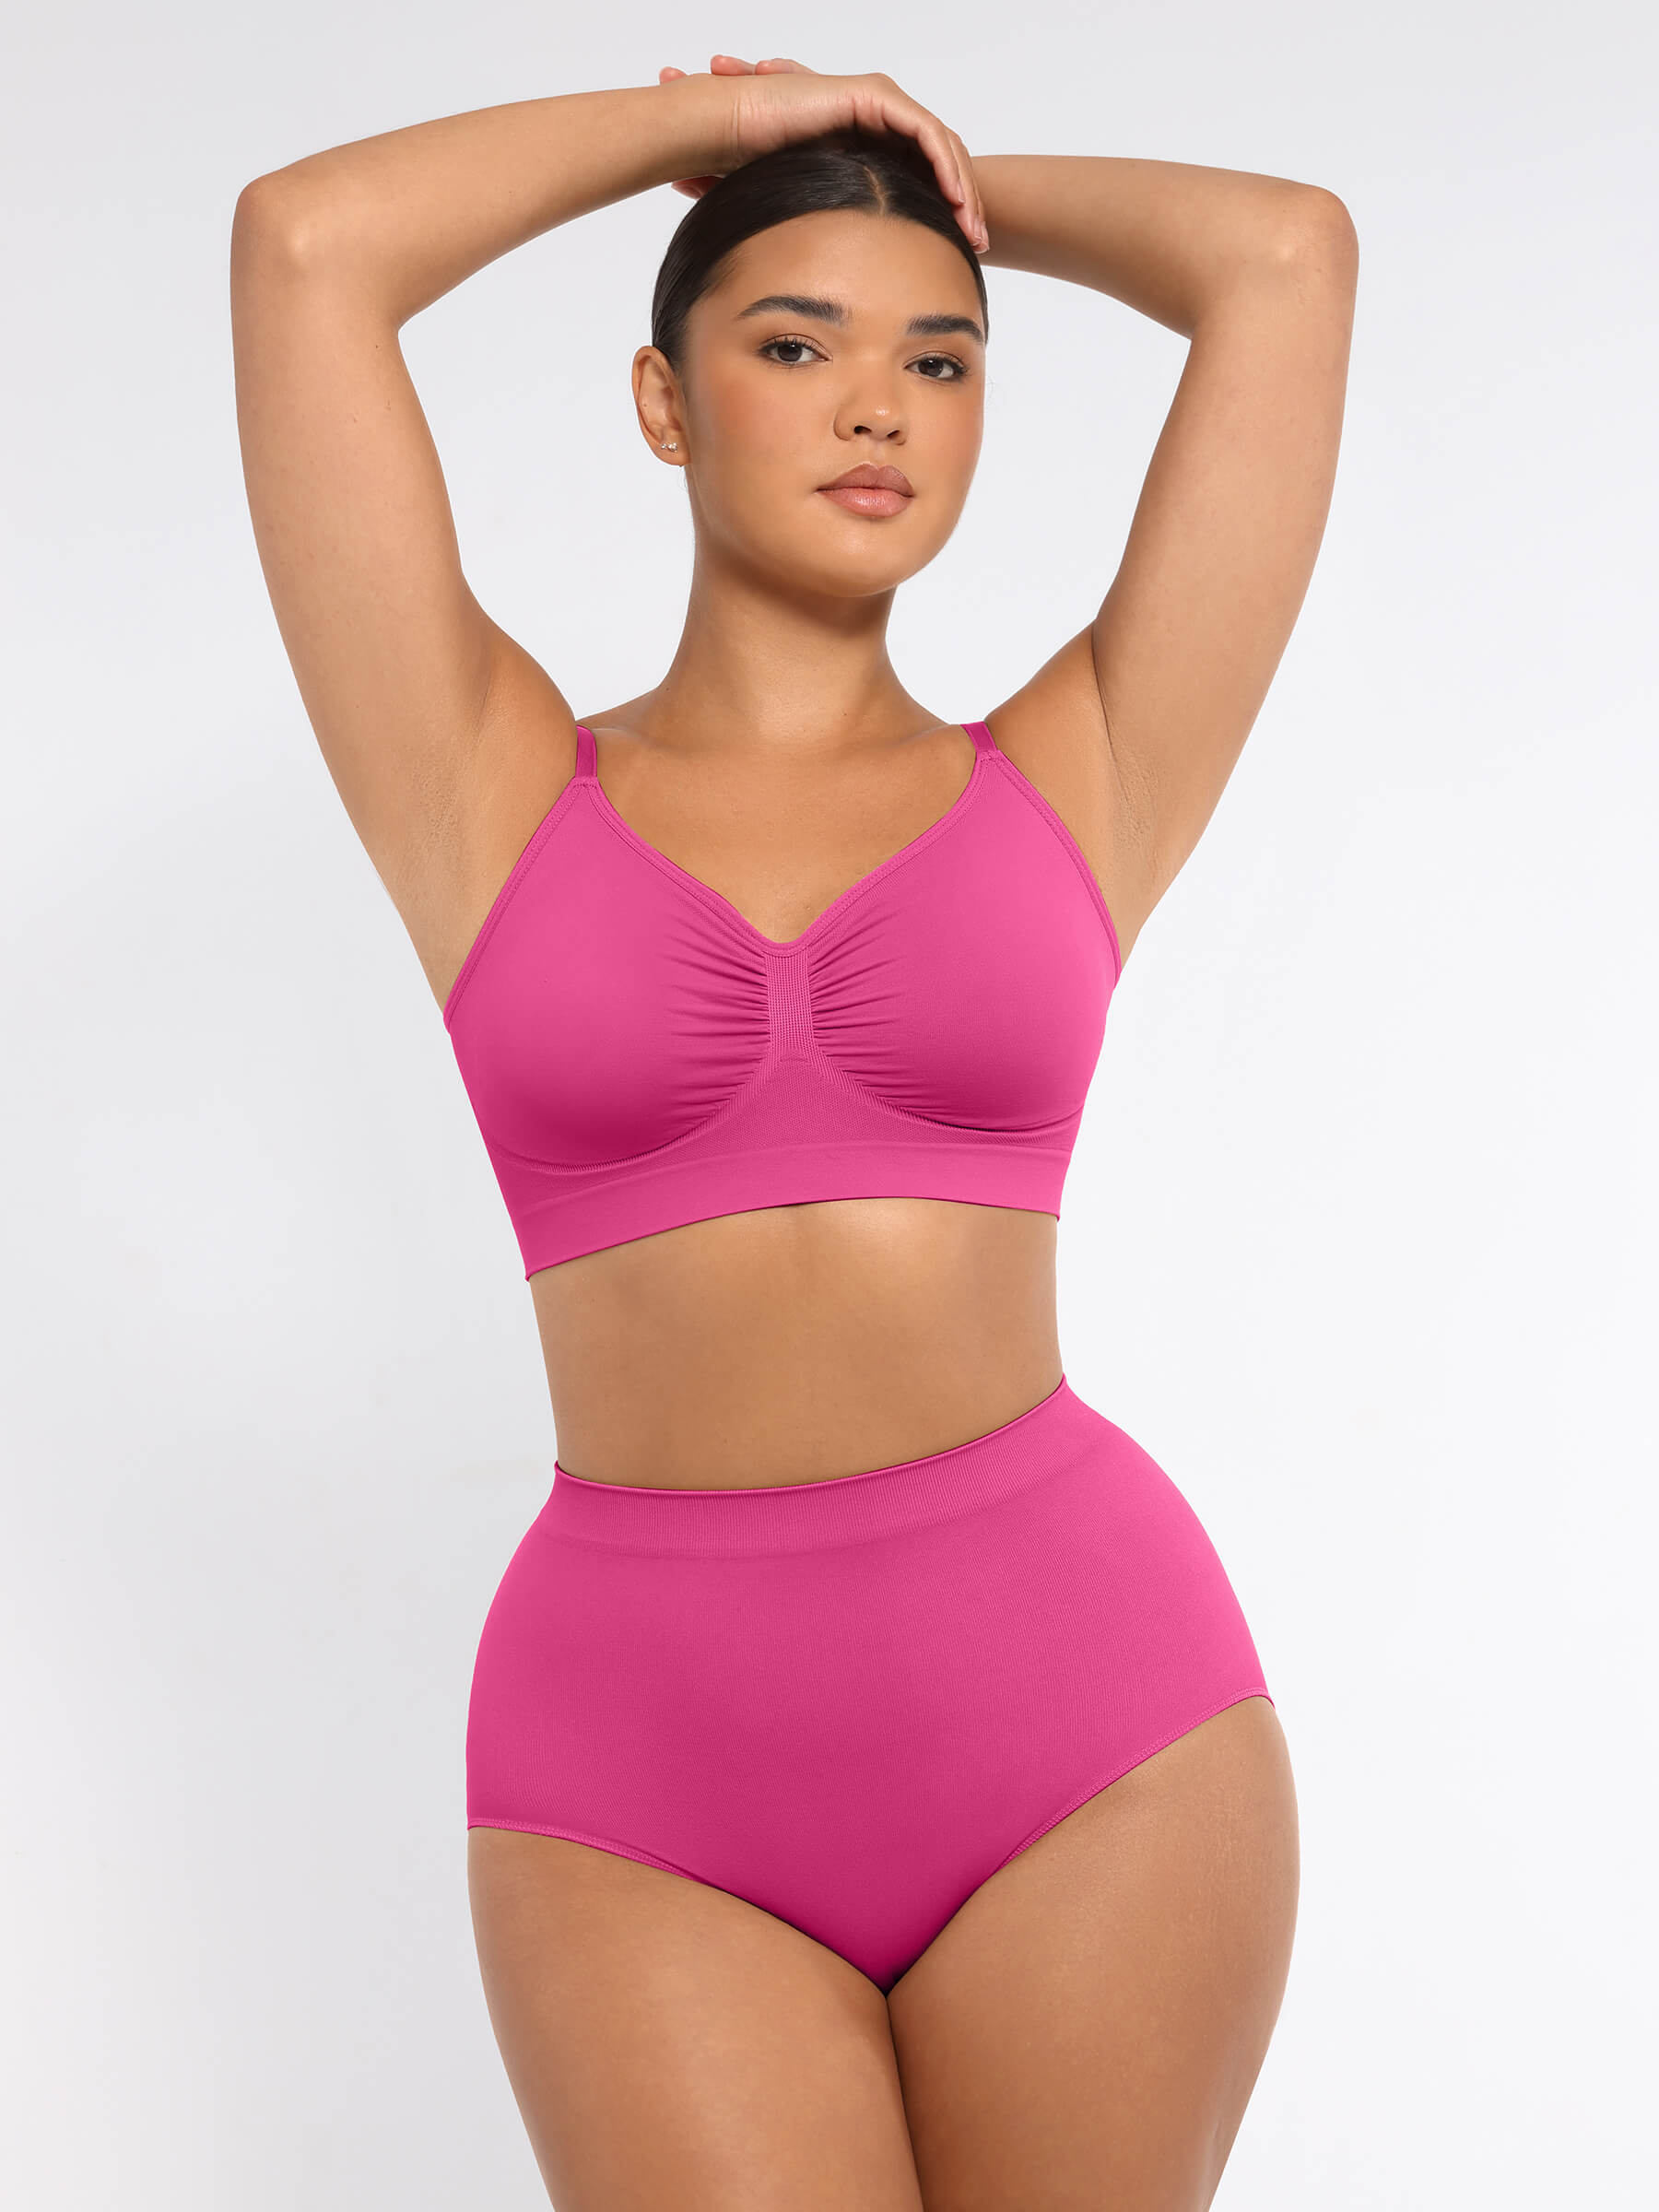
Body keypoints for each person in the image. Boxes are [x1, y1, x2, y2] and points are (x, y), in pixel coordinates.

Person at [230, 52, 1355, 2211]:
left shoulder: (1083, 767)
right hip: (636, 1781)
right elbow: (304, 252)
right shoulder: (483, 788)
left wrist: (932, 181)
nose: (877, 409)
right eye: (793, 344)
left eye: (939, 360)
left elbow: (1286, 260)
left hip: (1089, 1731)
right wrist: (716, 130)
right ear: (662, 402)